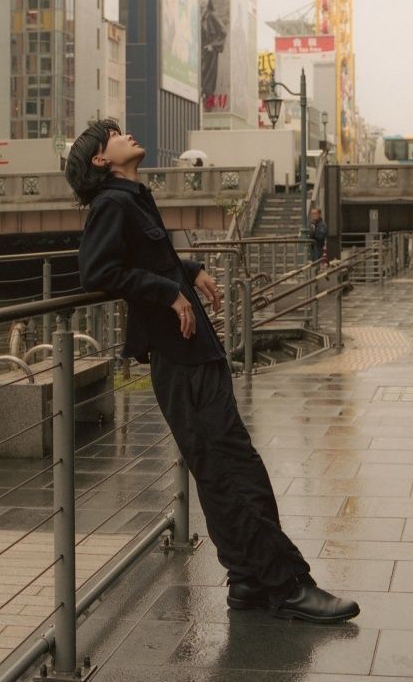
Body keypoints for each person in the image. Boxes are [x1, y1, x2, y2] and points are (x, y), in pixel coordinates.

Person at [65, 119, 359, 624]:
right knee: (230, 473)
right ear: (100, 159)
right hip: (178, 358)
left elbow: (150, 256)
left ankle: (249, 579)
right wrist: (165, 291)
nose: (127, 133)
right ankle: (283, 588)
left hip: (193, 351)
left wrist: (189, 269)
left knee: (235, 469)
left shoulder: (133, 196)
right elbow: (97, 270)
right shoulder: (112, 204)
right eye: (114, 133)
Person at [200, 0, 226, 101]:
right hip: (199, 48)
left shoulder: (211, 15)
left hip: (209, 49)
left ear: (209, 1)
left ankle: (208, 102)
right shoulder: (196, 14)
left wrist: (213, 45)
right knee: (200, 73)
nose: (203, 0)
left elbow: (223, 31)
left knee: (209, 75)